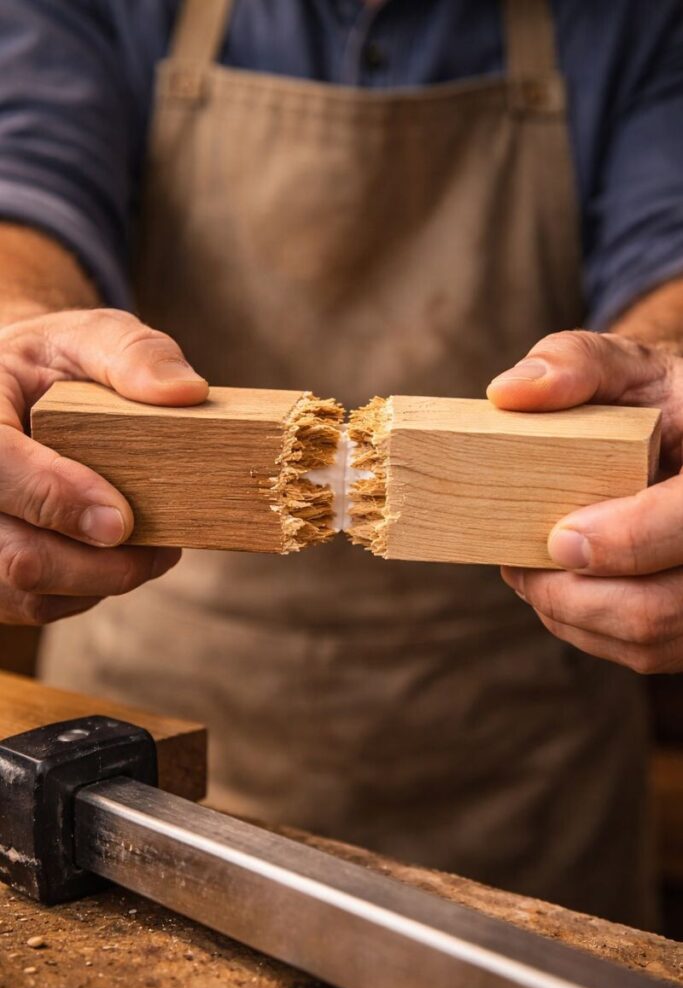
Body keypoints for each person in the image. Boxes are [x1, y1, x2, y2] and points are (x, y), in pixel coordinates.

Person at [0, 0, 682, 929]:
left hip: (521, 756)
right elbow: (28, 183)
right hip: (152, 736)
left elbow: (666, 243)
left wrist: (660, 377)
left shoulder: (637, 19)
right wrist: (17, 323)